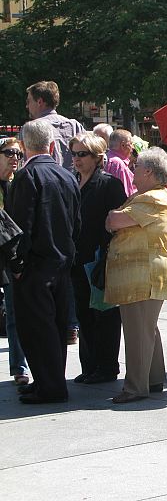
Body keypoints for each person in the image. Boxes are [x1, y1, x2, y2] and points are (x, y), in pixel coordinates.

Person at [8, 120, 81, 404]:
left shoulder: (27, 177)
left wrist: (16, 265)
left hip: (36, 265)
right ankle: (48, 381)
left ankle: (50, 386)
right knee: (55, 325)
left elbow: (19, 227)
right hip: (61, 262)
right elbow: (76, 222)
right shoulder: (66, 176)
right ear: (51, 145)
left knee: (38, 329)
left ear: (25, 147)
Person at [104, 147, 167, 403]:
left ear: (147, 171)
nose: (132, 169)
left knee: (137, 331)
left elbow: (114, 220)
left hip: (143, 274)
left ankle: (135, 387)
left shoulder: (153, 198)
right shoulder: (150, 196)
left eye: (136, 166)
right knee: (146, 329)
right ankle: (154, 378)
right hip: (144, 274)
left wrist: (113, 218)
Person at [69, 133, 127, 384]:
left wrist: (107, 254)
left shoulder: (109, 184)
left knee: (105, 314)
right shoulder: (71, 181)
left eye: (82, 154)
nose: (77, 159)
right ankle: (89, 365)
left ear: (97, 157)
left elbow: (118, 223)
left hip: (101, 257)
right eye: (74, 154)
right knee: (83, 313)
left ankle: (107, 366)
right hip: (76, 258)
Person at [0, 137, 28, 385]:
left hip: (9, 262)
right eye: (8, 152)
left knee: (15, 315)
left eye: (18, 154)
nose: (14, 158)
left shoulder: (18, 183)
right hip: (7, 259)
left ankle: (20, 368)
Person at [25, 81, 85, 170]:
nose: (27, 106)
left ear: (39, 102)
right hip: (73, 181)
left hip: (43, 181)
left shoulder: (30, 129)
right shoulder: (75, 126)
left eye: (28, 101)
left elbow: (27, 163)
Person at [105, 129, 137, 196]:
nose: (132, 147)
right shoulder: (117, 164)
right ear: (122, 145)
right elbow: (124, 193)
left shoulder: (109, 159)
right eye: (131, 144)